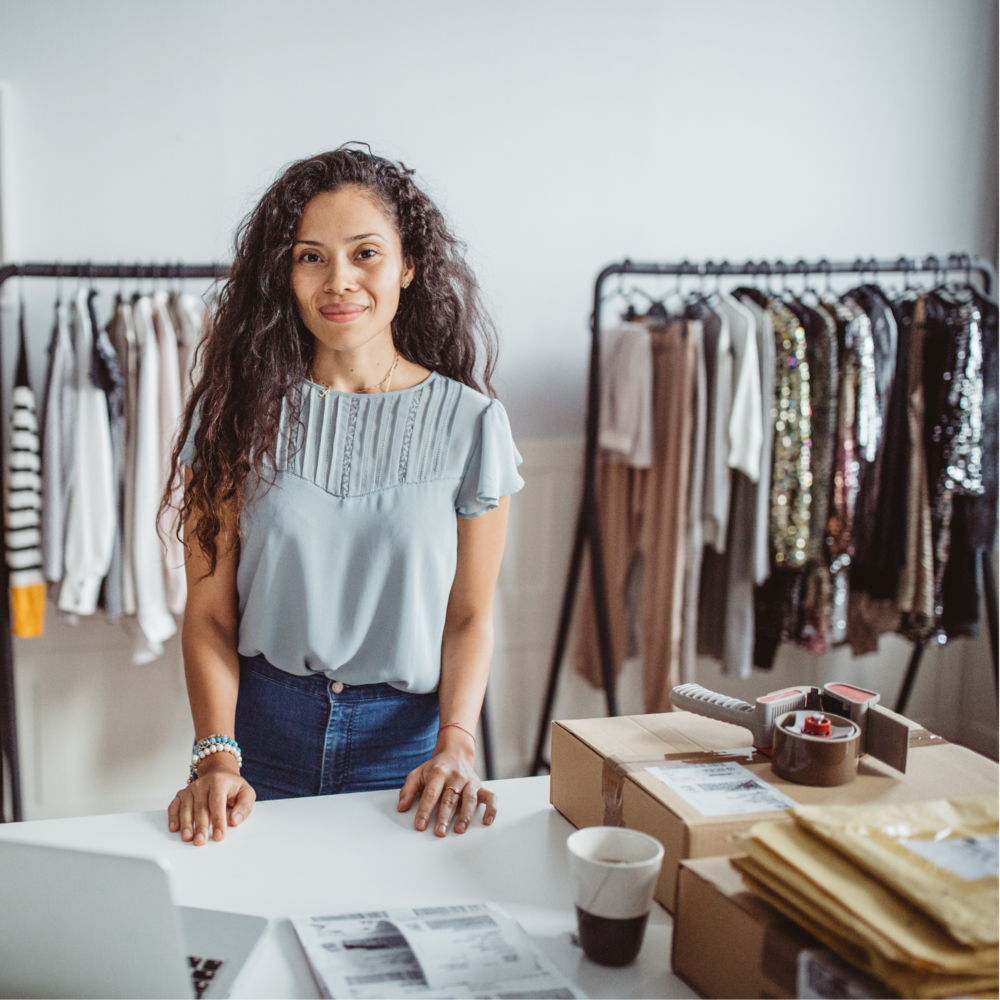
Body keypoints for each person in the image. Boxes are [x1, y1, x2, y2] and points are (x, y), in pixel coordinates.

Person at [164, 147, 523, 847]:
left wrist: (456, 743)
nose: (340, 281)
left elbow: (471, 615)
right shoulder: (233, 417)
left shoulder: (473, 425)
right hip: (256, 742)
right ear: (285, 275)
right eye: (310, 257)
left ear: (408, 265)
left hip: (411, 755)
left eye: (366, 253)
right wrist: (215, 755)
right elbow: (208, 615)